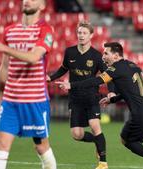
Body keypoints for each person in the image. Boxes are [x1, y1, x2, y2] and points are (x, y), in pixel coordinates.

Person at [0, 0, 56, 169]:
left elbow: (33, 58)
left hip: (35, 100)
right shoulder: (10, 31)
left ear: (42, 6)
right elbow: (5, 66)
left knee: (41, 146)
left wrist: (4, 48)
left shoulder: (46, 30)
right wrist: (0, 96)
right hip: (11, 100)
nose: (27, 1)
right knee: (1, 144)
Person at [47, 21, 114, 169]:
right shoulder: (69, 52)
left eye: (84, 33)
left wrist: (111, 91)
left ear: (91, 35)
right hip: (75, 98)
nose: (81, 36)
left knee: (95, 125)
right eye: (79, 33)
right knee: (76, 134)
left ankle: (103, 163)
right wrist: (50, 78)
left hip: (91, 97)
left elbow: (107, 76)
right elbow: (63, 68)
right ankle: (98, 141)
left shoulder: (97, 56)